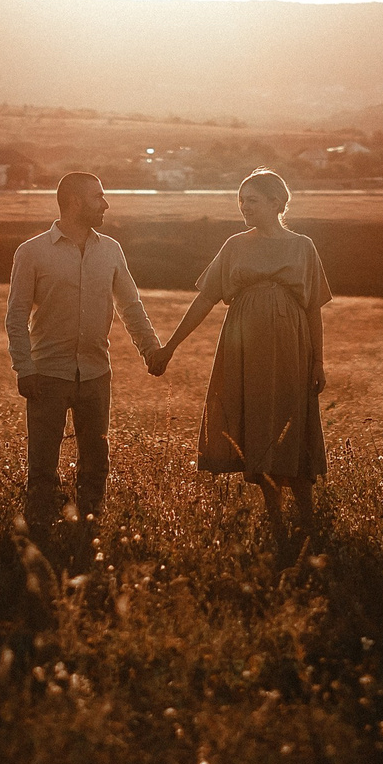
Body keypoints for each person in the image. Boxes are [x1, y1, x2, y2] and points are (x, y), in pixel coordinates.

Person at [150, 170, 331, 538]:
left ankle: (309, 518)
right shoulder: (235, 245)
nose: (244, 207)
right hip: (245, 347)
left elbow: (313, 306)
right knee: (258, 419)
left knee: (293, 417)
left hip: (293, 347)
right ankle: (276, 519)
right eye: (241, 200)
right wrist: (170, 346)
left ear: (277, 203)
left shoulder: (303, 246)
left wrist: (318, 360)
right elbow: (205, 298)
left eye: (252, 200)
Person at [4, 171, 162, 526]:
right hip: (47, 375)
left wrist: (150, 350)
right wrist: (24, 369)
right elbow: (15, 316)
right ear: (75, 201)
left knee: (96, 461)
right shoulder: (31, 252)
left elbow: (130, 306)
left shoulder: (111, 250)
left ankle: (89, 528)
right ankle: (40, 530)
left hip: (95, 373)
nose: (105, 204)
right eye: (98, 197)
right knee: (43, 463)